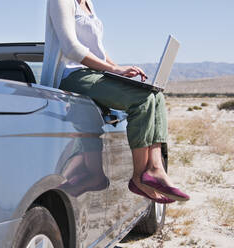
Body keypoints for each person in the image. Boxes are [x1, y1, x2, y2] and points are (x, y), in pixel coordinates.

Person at [41, 0, 190, 203]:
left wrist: (120, 68)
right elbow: (71, 48)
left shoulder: (88, 4)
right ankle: (139, 178)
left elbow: (97, 49)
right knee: (142, 100)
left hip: (94, 74)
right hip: (71, 75)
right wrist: (113, 70)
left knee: (156, 94)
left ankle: (155, 168)